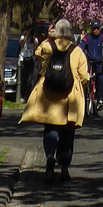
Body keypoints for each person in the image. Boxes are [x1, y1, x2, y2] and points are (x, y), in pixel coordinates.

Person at [20, 18, 88, 183]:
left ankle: (50, 158)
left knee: (50, 129)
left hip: (49, 96)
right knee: (68, 134)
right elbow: (84, 76)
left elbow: (38, 56)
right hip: (69, 98)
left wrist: (49, 39)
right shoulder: (77, 51)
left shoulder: (47, 47)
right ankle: (64, 167)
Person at [79, 21, 103, 108]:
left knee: (100, 80)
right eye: (94, 28)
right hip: (89, 61)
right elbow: (81, 47)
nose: (96, 30)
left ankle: (100, 100)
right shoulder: (87, 38)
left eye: (97, 29)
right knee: (84, 78)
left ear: (100, 29)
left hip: (99, 62)